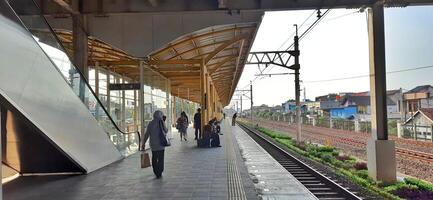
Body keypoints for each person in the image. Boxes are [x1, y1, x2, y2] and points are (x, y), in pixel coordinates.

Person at [142, 110, 168, 178]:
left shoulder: (151, 123)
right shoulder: (161, 122)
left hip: (153, 144)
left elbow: (147, 134)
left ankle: (156, 171)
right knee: (161, 158)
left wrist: (143, 143)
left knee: (154, 157)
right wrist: (163, 122)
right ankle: (160, 171)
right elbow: (166, 130)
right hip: (161, 144)